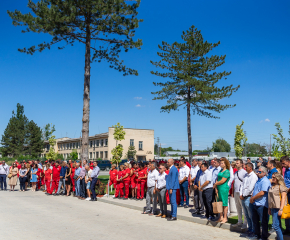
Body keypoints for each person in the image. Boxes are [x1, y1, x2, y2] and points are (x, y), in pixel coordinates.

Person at [248, 166, 271, 240]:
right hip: (255, 203)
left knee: (263, 222)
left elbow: (262, 192)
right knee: (255, 221)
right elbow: (255, 190)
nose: (258, 172)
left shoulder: (265, 181)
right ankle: (257, 235)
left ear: (264, 173)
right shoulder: (259, 180)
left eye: (260, 172)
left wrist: (253, 198)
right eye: (258, 171)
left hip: (262, 205)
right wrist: (252, 197)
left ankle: (264, 237)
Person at [239, 162, 258, 237]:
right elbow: (242, 185)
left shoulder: (253, 176)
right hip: (243, 196)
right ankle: (250, 229)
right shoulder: (245, 175)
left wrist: (243, 195)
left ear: (250, 167)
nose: (245, 168)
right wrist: (241, 194)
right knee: (246, 215)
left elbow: (251, 188)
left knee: (251, 215)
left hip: (249, 197)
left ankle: (253, 230)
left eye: (246, 167)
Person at [268, 173, 287, 240]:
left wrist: (281, 209)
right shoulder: (272, 186)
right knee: (278, 225)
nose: (272, 178)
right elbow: (270, 198)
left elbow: (284, 198)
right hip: (272, 207)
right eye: (272, 177)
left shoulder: (281, 186)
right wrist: (269, 208)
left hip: (278, 208)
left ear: (278, 178)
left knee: (276, 226)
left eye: (274, 177)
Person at [213, 157, 230, 223]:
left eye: (222, 163)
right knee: (219, 203)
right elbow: (218, 178)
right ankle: (221, 216)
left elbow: (223, 180)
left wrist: (216, 184)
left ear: (225, 164)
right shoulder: (221, 170)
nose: (221, 164)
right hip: (219, 188)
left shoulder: (227, 171)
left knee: (224, 203)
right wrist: (216, 187)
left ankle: (225, 217)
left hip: (223, 188)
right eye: (220, 163)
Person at [232, 159, 247, 229]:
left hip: (241, 193)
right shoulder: (235, 172)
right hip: (236, 192)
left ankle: (245, 223)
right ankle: (239, 221)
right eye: (236, 163)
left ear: (241, 164)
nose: (236, 164)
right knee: (238, 207)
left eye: (237, 163)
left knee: (243, 208)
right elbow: (234, 183)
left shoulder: (244, 172)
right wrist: (233, 191)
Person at [281, 156, 290, 234]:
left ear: (288, 162)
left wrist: (288, 189)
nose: (283, 165)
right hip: (286, 192)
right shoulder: (286, 170)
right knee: (286, 210)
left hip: (289, 192)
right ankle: (288, 228)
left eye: (284, 163)